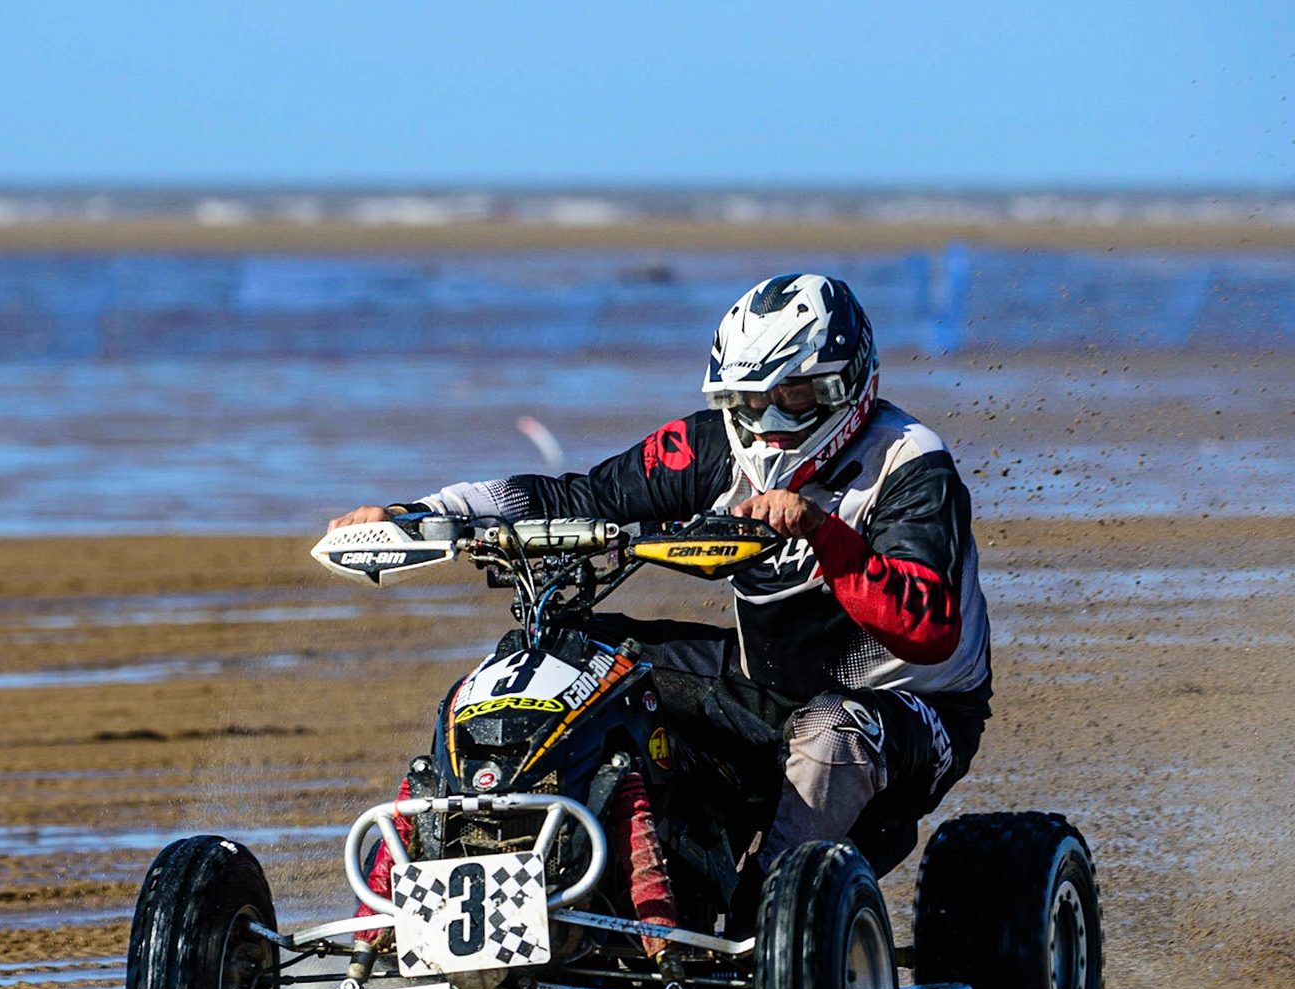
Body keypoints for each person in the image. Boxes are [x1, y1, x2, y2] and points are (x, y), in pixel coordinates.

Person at [330, 273, 991, 931]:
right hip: (768, 686)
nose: (770, 424)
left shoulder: (907, 462)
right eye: (750, 401)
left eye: (793, 396)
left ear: (848, 383)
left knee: (833, 730)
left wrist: (824, 533)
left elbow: (924, 626)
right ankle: (437, 897)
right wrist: (421, 512)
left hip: (913, 712)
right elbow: (581, 499)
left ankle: (761, 930)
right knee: (577, 663)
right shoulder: (711, 445)